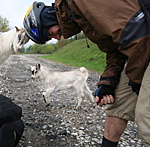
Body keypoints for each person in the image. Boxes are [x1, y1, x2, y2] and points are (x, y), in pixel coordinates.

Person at [23, 0, 150, 146]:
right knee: (117, 106)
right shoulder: (81, 19)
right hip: (139, 48)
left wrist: (136, 80)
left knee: (145, 116)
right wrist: (108, 81)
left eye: (50, 33)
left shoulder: (80, 3)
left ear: (47, 19)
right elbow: (114, 50)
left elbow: (137, 31)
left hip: (144, 42)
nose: (57, 38)